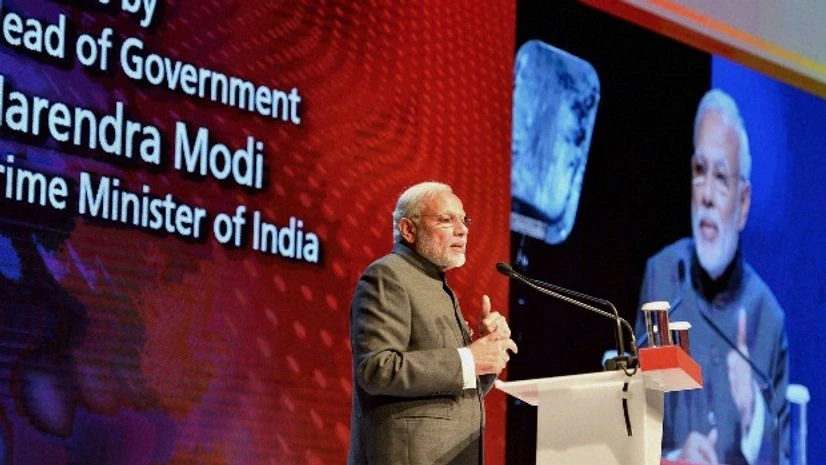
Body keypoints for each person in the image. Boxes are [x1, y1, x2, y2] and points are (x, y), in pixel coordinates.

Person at [636, 89, 790, 465]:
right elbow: (631, 412)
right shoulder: (662, 276)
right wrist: (673, 459)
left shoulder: (768, 316)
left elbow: (787, 457)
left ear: (742, 203)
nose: (705, 194)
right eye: (700, 171)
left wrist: (753, 412)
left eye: (721, 177)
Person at [348, 181, 518, 465]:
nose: (463, 230)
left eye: (464, 220)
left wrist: (486, 358)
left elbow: (450, 391)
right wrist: (469, 359)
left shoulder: (439, 286)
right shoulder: (387, 275)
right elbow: (377, 369)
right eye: (445, 220)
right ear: (408, 229)